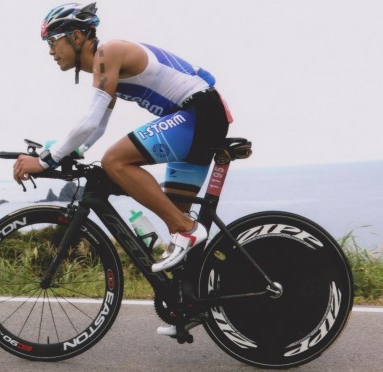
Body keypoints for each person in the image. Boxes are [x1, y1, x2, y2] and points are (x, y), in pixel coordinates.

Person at [12, 2, 232, 335]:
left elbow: (89, 119)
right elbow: (96, 126)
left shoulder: (108, 53)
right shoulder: (104, 66)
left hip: (199, 114)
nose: (50, 51)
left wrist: (47, 160)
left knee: (117, 162)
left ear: (75, 36)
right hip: (201, 117)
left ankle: (185, 228)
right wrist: (69, 151)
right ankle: (189, 305)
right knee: (173, 211)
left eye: (52, 40)